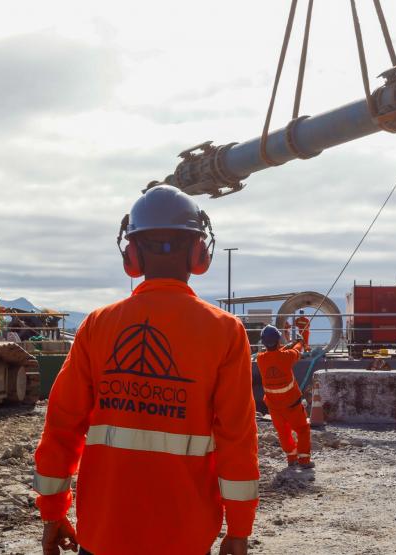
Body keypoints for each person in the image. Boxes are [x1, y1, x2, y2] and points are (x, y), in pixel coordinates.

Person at [33, 185, 259, 555]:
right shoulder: (225, 331)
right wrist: (239, 528)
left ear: (132, 255)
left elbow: (61, 428)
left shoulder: (96, 325)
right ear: (199, 254)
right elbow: (238, 438)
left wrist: (53, 512)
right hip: (185, 536)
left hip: (104, 532)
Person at [255, 325, 313, 469]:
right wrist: (299, 342)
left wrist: (284, 347)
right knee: (302, 429)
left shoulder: (260, 359)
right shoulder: (287, 356)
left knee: (283, 431)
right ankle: (304, 460)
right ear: (278, 339)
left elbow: (274, 356)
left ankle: (291, 458)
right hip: (292, 404)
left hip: (274, 407)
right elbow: (296, 351)